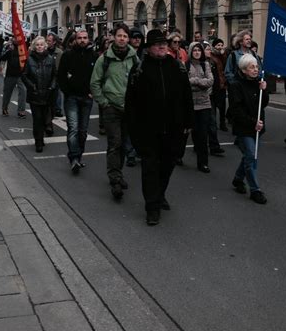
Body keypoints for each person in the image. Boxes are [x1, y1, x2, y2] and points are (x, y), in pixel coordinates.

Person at [125, 29, 193, 225]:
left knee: (167, 165)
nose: (163, 46)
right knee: (150, 168)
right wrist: (133, 130)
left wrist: (188, 123)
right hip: (148, 130)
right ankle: (152, 207)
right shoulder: (139, 70)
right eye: (157, 44)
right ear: (149, 49)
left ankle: (160, 193)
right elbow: (131, 103)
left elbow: (187, 97)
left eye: (164, 43)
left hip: (173, 129)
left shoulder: (177, 67)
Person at [90, 23, 139, 200]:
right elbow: (95, 83)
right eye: (119, 36)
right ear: (114, 37)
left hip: (129, 108)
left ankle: (119, 173)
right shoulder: (105, 59)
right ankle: (115, 180)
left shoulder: (134, 58)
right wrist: (103, 102)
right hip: (111, 107)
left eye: (125, 36)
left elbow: (140, 81)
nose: (122, 39)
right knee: (115, 143)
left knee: (125, 144)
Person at [228, 54, 269, 204]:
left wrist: (264, 90)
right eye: (252, 67)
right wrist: (253, 123)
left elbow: (263, 104)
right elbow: (237, 110)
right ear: (244, 69)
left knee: (249, 156)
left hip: (257, 126)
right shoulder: (235, 85)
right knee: (251, 155)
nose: (256, 69)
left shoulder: (258, 83)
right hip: (244, 127)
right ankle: (255, 190)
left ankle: (238, 179)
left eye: (257, 67)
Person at [58, 30, 97, 173]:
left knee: (83, 131)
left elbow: (96, 77)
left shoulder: (93, 55)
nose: (82, 40)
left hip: (87, 98)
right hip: (72, 98)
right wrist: (67, 92)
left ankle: (78, 157)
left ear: (88, 39)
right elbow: (61, 76)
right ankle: (74, 158)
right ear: (75, 40)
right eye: (79, 38)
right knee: (73, 129)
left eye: (84, 38)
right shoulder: (68, 55)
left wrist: (93, 92)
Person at [22, 36, 57, 153]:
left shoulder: (50, 59)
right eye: (37, 45)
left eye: (42, 44)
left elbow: (54, 75)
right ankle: (38, 141)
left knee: (45, 118)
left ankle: (41, 137)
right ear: (34, 46)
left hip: (47, 94)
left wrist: (52, 86)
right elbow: (24, 75)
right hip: (35, 95)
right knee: (37, 119)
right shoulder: (30, 60)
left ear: (45, 46)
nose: (40, 46)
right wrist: (31, 86)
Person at [186, 42, 214, 173]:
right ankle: (178, 155)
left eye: (199, 50)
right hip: (190, 104)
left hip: (204, 104)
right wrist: (199, 82)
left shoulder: (205, 64)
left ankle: (203, 163)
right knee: (189, 132)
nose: (197, 52)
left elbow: (210, 81)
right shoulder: (185, 65)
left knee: (203, 135)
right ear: (191, 52)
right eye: (194, 50)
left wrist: (195, 81)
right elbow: (185, 82)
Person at [1, 37, 27, 118]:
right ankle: (4, 108)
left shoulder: (23, 52)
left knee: (23, 91)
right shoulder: (9, 51)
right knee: (7, 93)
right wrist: (7, 49)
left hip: (20, 75)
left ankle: (21, 111)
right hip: (10, 75)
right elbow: (1, 58)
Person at [45, 32, 64, 133]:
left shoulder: (59, 53)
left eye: (49, 41)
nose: (47, 42)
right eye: (47, 40)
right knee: (46, 104)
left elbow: (62, 67)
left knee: (52, 104)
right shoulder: (44, 51)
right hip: (44, 81)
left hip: (55, 81)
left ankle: (51, 117)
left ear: (54, 42)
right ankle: (48, 124)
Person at [209, 38, 228, 131]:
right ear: (214, 46)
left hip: (222, 84)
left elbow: (225, 67)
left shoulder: (223, 55)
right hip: (215, 84)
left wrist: (223, 55)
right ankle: (213, 124)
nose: (220, 47)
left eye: (221, 45)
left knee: (222, 106)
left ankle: (222, 123)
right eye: (218, 45)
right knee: (213, 105)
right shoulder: (211, 56)